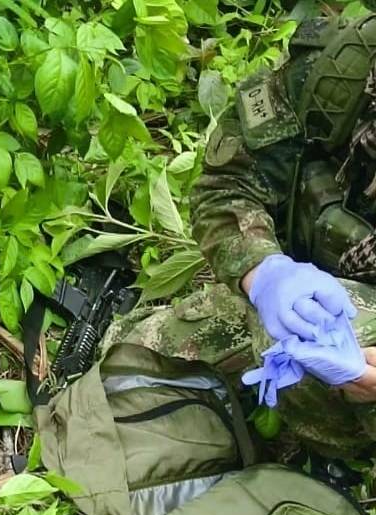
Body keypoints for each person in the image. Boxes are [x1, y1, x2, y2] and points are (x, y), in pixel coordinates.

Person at [104, 11, 376, 459]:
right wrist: (265, 271)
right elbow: (228, 185)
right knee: (129, 363)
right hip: (320, 292)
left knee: (295, 346)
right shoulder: (342, 70)